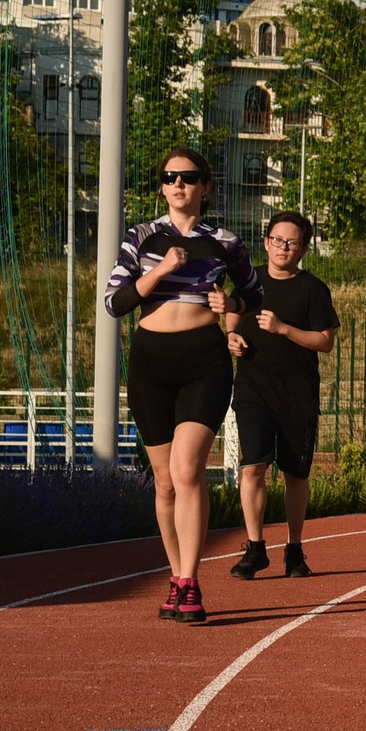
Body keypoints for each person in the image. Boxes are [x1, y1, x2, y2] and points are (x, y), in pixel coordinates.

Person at [103, 148, 264, 627]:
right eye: (169, 177)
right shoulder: (142, 237)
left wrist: (228, 300)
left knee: (188, 469)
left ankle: (191, 583)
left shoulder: (225, 242)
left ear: (206, 186)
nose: (178, 184)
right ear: (162, 186)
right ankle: (175, 577)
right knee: (167, 481)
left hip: (204, 360)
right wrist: (160, 269)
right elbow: (115, 302)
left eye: (188, 178)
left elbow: (254, 295)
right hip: (151, 363)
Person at [223, 211, 336, 581]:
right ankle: (255, 549)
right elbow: (230, 315)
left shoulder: (312, 289)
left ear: (303, 248)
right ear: (266, 240)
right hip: (253, 390)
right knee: (253, 466)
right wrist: (231, 338)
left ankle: (294, 549)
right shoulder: (248, 281)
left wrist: (284, 328)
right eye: (276, 239)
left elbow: (325, 341)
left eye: (291, 242)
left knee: (294, 474)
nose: (282, 247)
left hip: (297, 396)